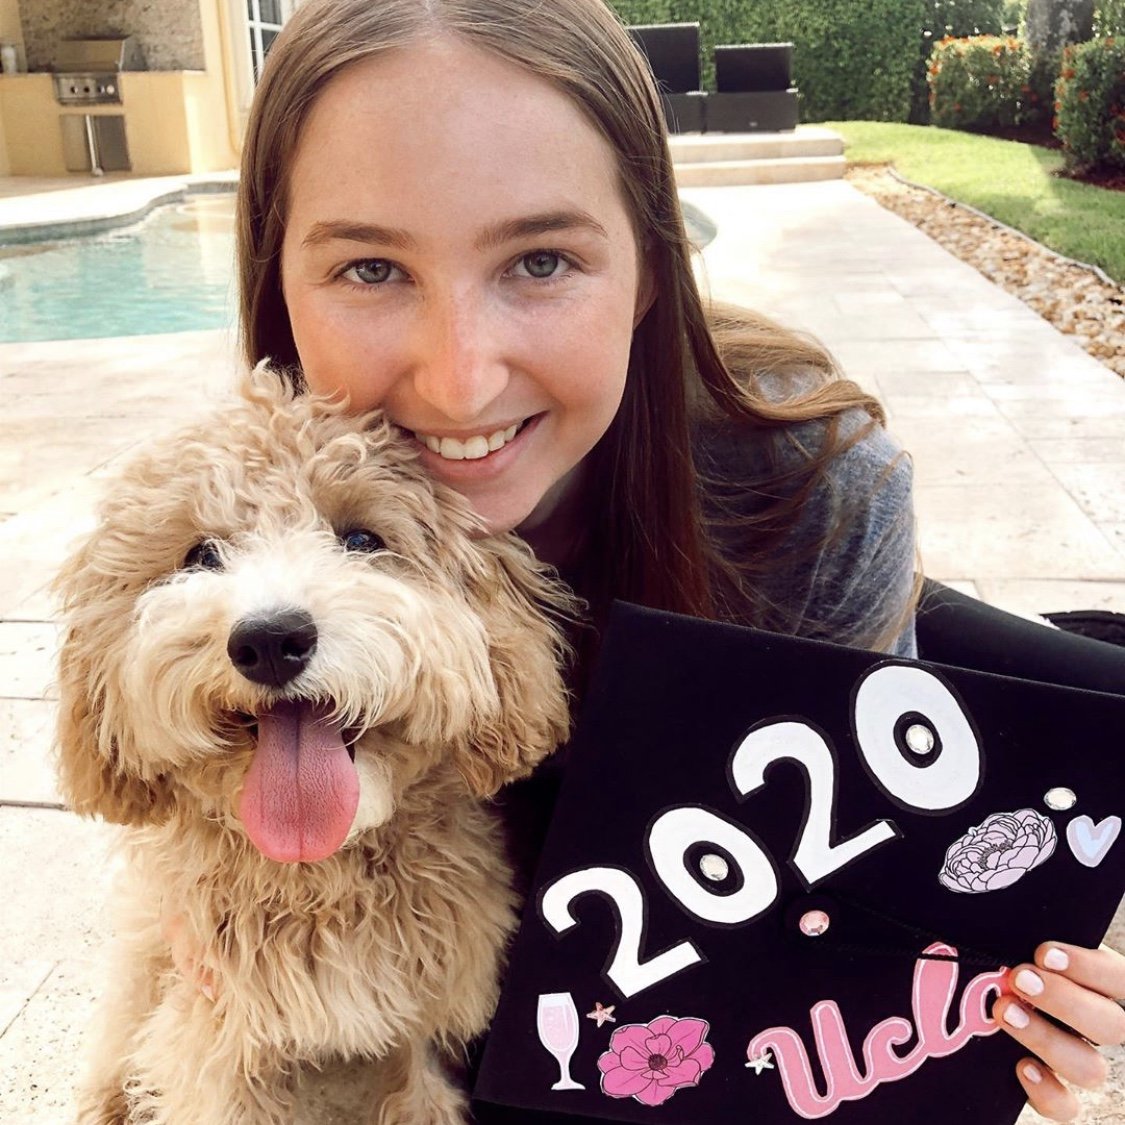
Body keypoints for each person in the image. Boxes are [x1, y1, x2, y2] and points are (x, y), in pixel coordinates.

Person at [196, 0, 1123, 1118]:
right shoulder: (225, 538)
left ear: (648, 265)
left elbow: (820, 937)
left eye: (541, 260)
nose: (460, 379)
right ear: (277, 284)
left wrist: (982, 998)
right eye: (370, 269)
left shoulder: (814, 496)